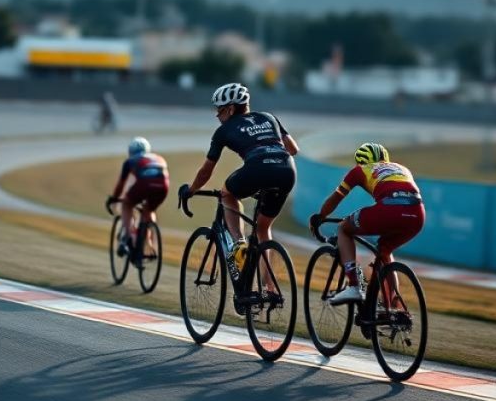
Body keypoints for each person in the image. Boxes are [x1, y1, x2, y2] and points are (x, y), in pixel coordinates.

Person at [179, 82, 299, 262]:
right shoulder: (269, 117)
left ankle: (239, 245)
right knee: (262, 229)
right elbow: (293, 149)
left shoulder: (223, 131)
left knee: (227, 194)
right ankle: (270, 288)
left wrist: (192, 189)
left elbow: (206, 171)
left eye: (219, 110)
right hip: (287, 169)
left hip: (257, 167)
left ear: (231, 109)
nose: (217, 115)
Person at [308, 143, 424, 305]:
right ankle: (392, 308)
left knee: (344, 229)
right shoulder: (401, 168)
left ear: (360, 161)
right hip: (417, 215)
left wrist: (320, 216)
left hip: (389, 210)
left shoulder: (359, 170)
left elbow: (336, 198)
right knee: (385, 250)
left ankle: (355, 286)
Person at [108, 136, 169, 257]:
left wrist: (114, 198)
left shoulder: (130, 161)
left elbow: (120, 185)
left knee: (127, 204)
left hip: (144, 184)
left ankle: (130, 237)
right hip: (163, 185)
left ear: (130, 152)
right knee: (149, 210)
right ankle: (150, 243)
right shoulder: (157, 157)